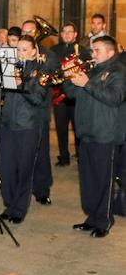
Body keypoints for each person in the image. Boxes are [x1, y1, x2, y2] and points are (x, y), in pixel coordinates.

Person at [64, 36, 124, 238]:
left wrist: (87, 83)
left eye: (96, 50)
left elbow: (114, 99)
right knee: (88, 180)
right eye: (92, 50)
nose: (92, 54)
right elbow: (71, 93)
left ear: (110, 52)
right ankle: (92, 217)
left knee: (103, 180)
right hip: (86, 132)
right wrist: (70, 75)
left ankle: (104, 220)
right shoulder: (91, 70)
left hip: (105, 134)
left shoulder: (119, 72)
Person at [0, 36, 48, 223]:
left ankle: (19, 209)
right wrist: (0, 80)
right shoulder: (11, 67)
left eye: (25, 49)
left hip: (28, 125)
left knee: (24, 169)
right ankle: (9, 204)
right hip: (8, 123)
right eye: (18, 49)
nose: (21, 53)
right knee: (6, 168)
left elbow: (37, 99)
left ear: (34, 51)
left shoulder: (40, 71)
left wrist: (21, 84)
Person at [21, 19, 57, 206]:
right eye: (24, 30)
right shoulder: (16, 53)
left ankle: (42, 189)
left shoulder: (48, 56)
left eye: (31, 31)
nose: (27, 33)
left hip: (38, 110)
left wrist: (38, 65)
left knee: (41, 152)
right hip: (19, 112)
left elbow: (52, 76)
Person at [50, 23, 91, 167]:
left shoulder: (84, 51)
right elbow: (50, 70)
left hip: (77, 96)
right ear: (61, 34)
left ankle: (81, 155)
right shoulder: (53, 50)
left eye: (70, 32)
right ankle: (64, 156)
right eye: (64, 32)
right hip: (59, 95)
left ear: (75, 35)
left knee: (78, 127)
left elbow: (89, 71)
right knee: (61, 128)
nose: (67, 34)